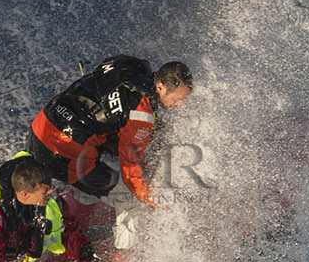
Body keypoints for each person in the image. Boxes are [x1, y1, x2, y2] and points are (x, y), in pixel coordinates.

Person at [26, 56, 192, 207]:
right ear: (160, 87)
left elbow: (102, 70)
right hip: (58, 154)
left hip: (41, 124)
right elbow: (131, 167)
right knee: (111, 179)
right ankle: (68, 202)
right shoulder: (141, 116)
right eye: (178, 99)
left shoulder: (130, 64)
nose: (179, 105)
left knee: (117, 133)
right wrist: (150, 198)